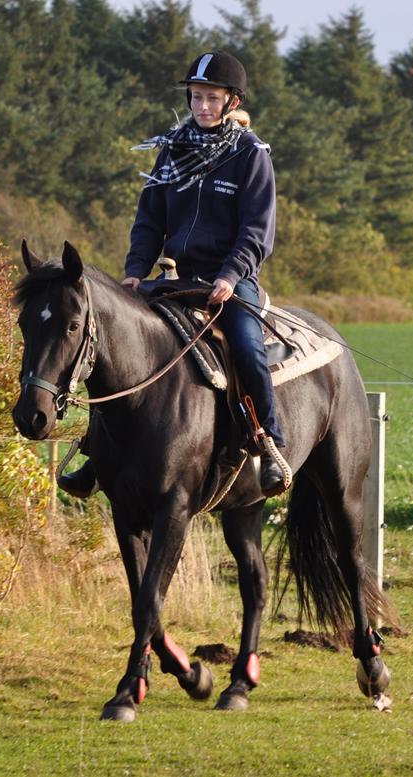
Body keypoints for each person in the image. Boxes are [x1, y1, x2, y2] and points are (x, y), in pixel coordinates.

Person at [59, 50, 291, 499]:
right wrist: (133, 272)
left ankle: (269, 443)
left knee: (245, 347)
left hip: (230, 280)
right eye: (196, 97)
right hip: (174, 276)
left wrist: (230, 275)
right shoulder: (172, 150)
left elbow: (257, 231)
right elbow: (149, 222)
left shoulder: (250, 155)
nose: (201, 106)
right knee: (112, 337)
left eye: (211, 98)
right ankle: (95, 449)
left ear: (231, 101)